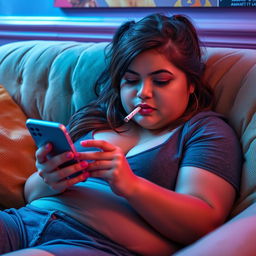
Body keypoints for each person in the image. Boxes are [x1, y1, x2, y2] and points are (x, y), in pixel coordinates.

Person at [0, 13, 242, 256]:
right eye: (131, 80)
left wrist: (131, 185)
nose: (143, 93)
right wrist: (50, 177)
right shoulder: (103, 118)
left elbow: (204, 223)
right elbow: (31, 194)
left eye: (161, 81)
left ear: (191, 84)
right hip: (22, 222)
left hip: (91, 245)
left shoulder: (205, 131)